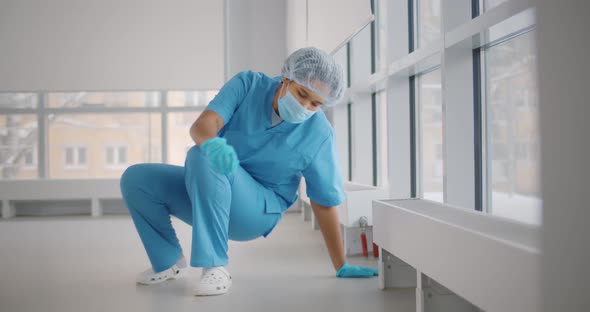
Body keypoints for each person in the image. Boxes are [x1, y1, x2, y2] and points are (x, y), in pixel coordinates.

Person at [119, 46, 378, 297]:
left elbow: (324, 202)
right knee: (138, 179)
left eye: (315, 104)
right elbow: (203, 125)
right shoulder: (248, 85)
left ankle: (215, 266)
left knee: (203, 157)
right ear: (287, 78)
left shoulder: (319, 134)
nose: (305, 107)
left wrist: (340, 264)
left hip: (256, 211)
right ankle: (167, 262)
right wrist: (213, 143)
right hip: (211, 188)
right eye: (301, 94)